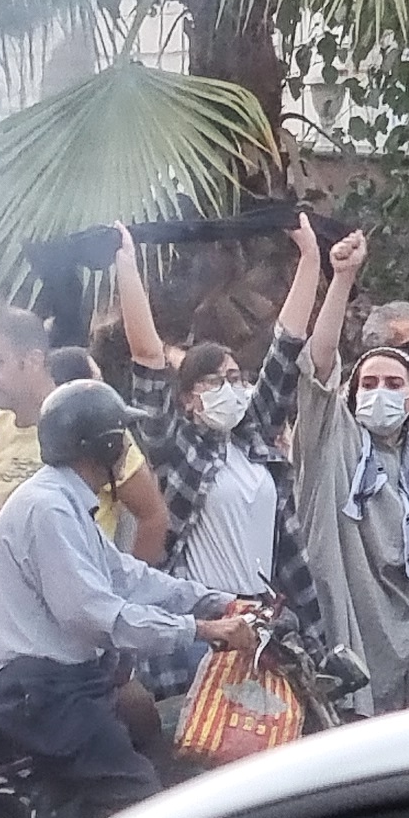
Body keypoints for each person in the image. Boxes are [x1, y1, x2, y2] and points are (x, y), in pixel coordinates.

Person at [0, 379, 261, 818]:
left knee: (148, 733)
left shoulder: (66, 502)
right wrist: (203, 630)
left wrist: (216, 600)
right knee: (140, 800)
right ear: (100, 445)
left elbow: (128, 575)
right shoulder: (49, 509)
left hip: (56, 685)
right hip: (37, 692)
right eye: (121, 435)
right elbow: (93, 613)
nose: (127, 445)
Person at [107, 222, 330, 650]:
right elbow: (148, 358)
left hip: (264, 620)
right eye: (214, 381)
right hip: (203, 626)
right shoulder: (175, 447)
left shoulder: (256, 438)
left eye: (235, 377)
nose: (231, 388)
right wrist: (128, 267)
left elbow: (286, 347)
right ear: (188, 398)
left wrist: (310, 259)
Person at [292, 237, 409, 713]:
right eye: (368, 384)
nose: (380, 393)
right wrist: (342, 278)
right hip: (347, 638)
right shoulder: (335, 445)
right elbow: (317, 366)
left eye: (393, 385)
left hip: (407, 641)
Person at [0, 304, 164, 619]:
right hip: (19, 623)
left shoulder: (87, 417)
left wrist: (120, 607)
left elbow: (152, 516)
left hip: (84, 627)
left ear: (34, 360)